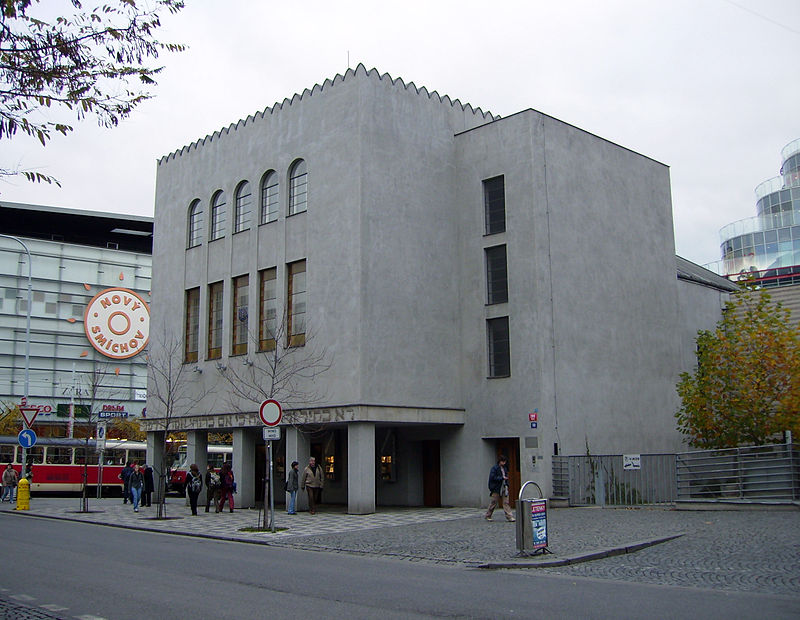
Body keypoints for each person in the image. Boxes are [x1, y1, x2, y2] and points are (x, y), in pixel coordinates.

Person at [484, 455, 515, 522]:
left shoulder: (505, 468)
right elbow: (492, 477)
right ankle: (488, 515)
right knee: (494, 502)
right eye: (503, 461)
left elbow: (506, 476)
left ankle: (510, 516)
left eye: (505, 462)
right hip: (497, 488)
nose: (504, 463)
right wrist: (501, 478)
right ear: (500, 461)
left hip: (504, 487)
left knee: (506, 502)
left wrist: (507, 483)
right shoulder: (495, 468)